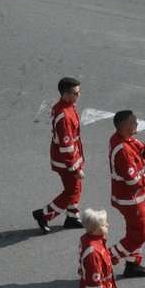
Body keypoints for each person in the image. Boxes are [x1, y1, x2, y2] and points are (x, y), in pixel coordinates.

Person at [108, 110, 145, 279]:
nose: (137, 124)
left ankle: (133, 265)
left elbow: (143, 152)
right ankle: (106, 259)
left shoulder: (125, 139)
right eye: (134, 123)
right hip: (130, 200)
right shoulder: (122, 150)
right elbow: (133, 182)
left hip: (135, 197)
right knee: (139, 235)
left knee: (135, 232)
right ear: (125, 128)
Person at [32, 76, 85, 233]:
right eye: (76, 92)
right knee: (71, 191)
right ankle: (44, 214)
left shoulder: (67, 106)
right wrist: (75, 168)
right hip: (66, 161)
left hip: (71, 157)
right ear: (66, 93)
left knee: (76, 187)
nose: (79, 95)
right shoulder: (64, 115)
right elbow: (66, 145)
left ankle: (72, 216)